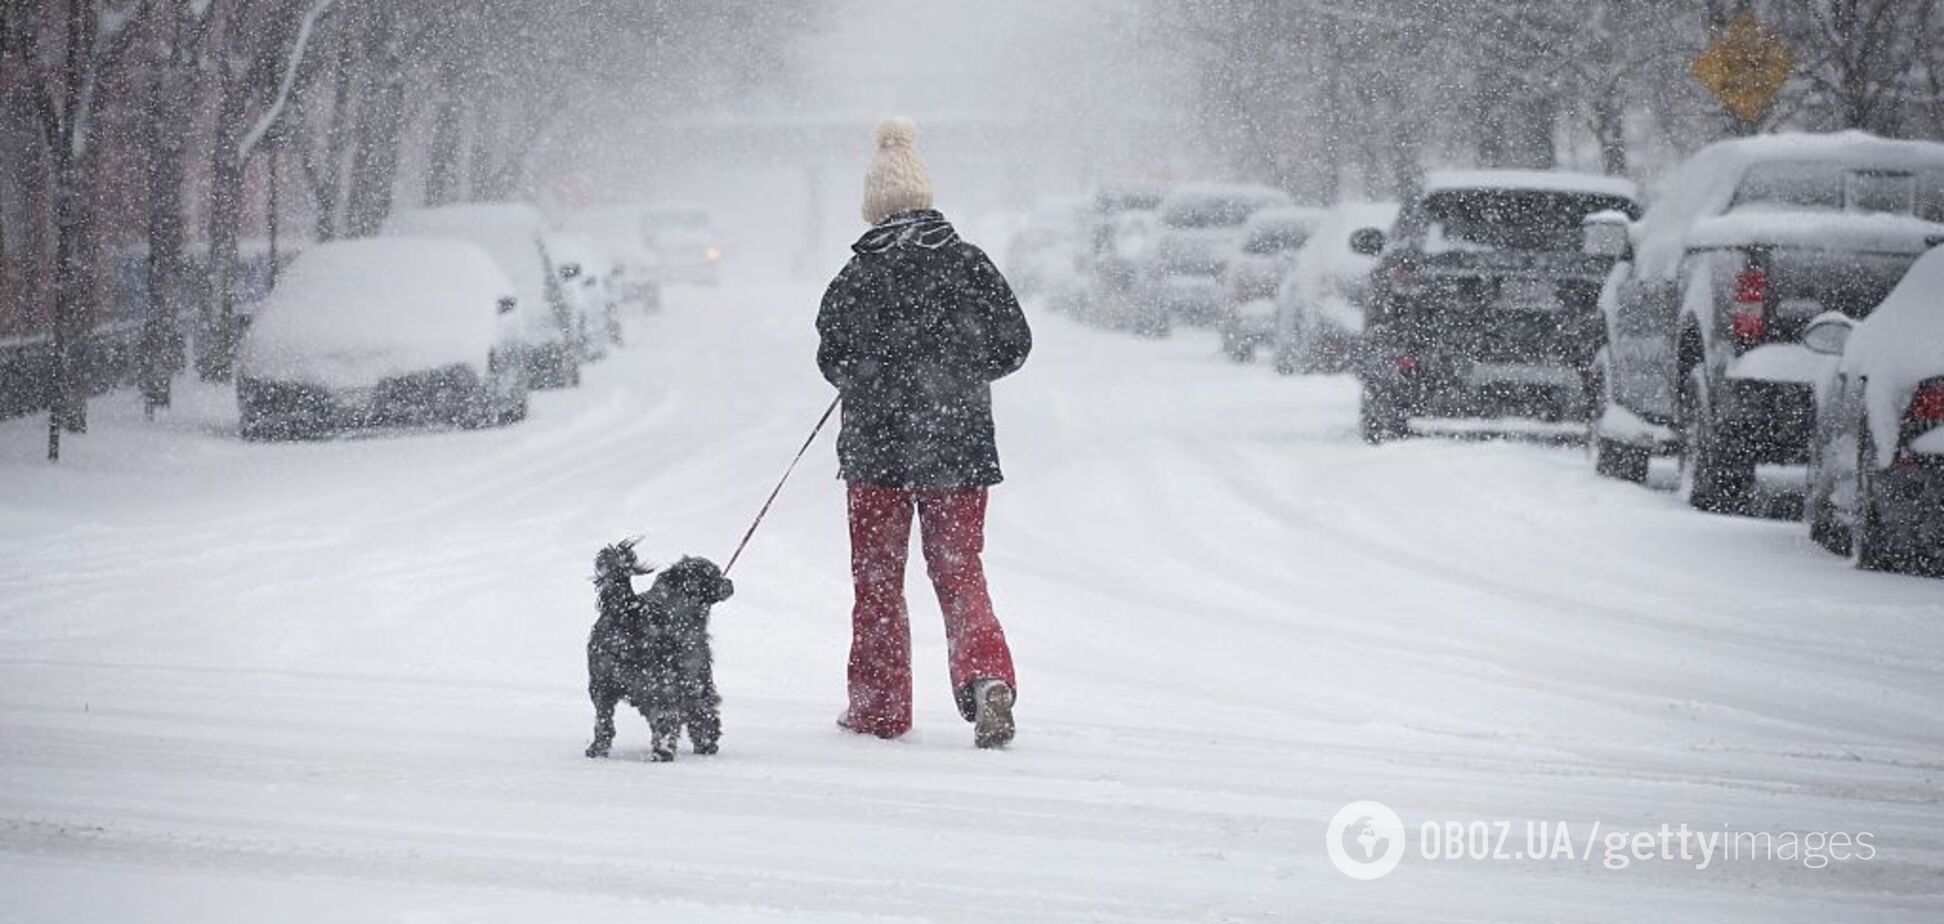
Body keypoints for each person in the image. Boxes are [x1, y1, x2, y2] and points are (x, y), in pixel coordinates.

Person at [815, 117, 1033, 749]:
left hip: (875, 453)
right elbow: (1014, 344)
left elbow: (831, 357)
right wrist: (960, 377)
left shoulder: (858, 275)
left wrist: (871, 376)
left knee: (878, 582)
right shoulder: (969, 264)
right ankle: (987, 676)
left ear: (875, 207)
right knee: (961, 571)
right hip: (957, 447)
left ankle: (879, 708)